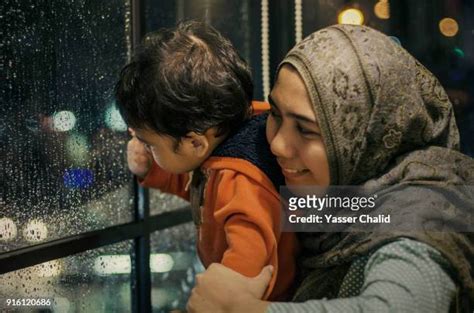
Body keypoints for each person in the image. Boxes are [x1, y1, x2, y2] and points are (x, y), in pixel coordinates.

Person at [187, 24, 474, 313]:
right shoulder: (336, 199)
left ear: (366, 135)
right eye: (275, 114)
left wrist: (242, 310)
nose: (277, 145)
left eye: (306, 130)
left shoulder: (422, 209)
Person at [115, 20, 298, 300]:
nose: (143, 146)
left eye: (151, 144)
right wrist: (153, 167)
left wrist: (219, 301)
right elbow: (199, 183)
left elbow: (245, 267)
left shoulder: (240, 183)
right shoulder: (236, 133)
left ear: (195, 142)